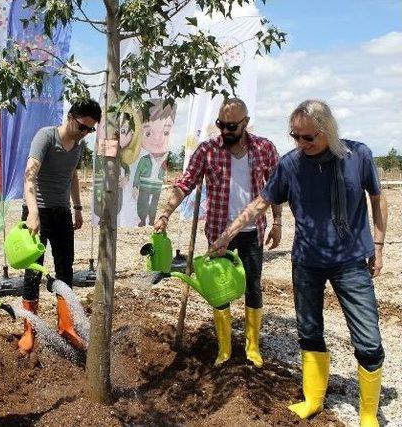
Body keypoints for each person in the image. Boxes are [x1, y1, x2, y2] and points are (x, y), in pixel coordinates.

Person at [209, 100, 387, 426]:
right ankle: (313, 400)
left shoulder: (357, 156)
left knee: (368, 340)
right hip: (306, 262)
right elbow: (262, 201)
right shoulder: (290, 165)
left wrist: (378, 243)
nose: (302, 144)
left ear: (328, 131)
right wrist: (227, 234)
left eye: (309, 137)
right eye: (296, 136)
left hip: (350, 262)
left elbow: (377, 198)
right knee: (309, 331)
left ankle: (368, 414)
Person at [154, 98, 282, 368]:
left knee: (253, 287)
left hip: (253, 232)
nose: (224, 131)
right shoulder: (207, 151)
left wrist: (278, 221)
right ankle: (224, 349)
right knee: (219, 288)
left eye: (231, 126)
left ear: (245, 123)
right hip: (217, 231)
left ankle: (252, 347)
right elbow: (185, 183)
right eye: (221, 125)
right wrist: (165, 212)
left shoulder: (264, 148)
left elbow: (276, 187)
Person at [19, 99, 102, 354]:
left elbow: (73, 175)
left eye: (90, 130)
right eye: (82, 126)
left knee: (65, 268)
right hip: (37, 212)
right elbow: (29, 175)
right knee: (34, 270)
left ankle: (66, 327)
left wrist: (77, 208)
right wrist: (33, 212)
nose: (84, 133)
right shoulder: (46, 137)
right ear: (70, 116)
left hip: (62, 213)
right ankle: (28, 330)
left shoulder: (77, 146)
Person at [132, 102, 176, 226]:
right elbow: (137, 173)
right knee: (142, 202)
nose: (157, 139)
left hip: (157, 186)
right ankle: (142, 219)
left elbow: (170, 170)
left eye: (165, 133)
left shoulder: (166, 159)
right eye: (148, 133)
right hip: (144, 185)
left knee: (154, 205)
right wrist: (135, 185)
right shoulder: (144, 159)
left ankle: (151, 219)